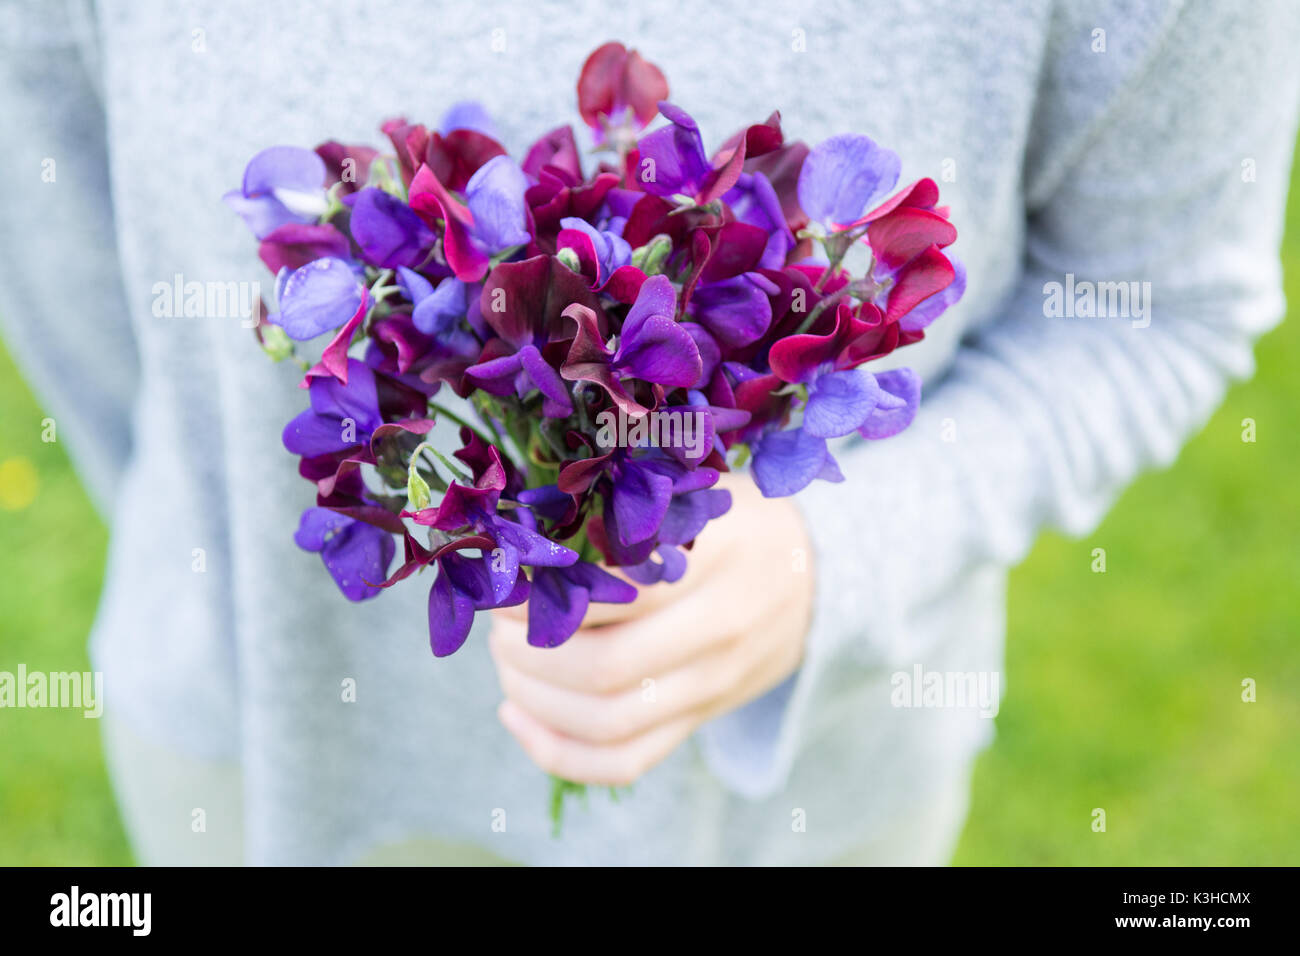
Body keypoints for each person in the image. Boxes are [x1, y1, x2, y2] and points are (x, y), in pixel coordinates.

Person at [2, 0, 1296, 866]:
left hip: (792, 809)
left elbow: (1161, 299)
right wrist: (261, 509)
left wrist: (842, 561)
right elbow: (67, 258)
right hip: (262, 757)